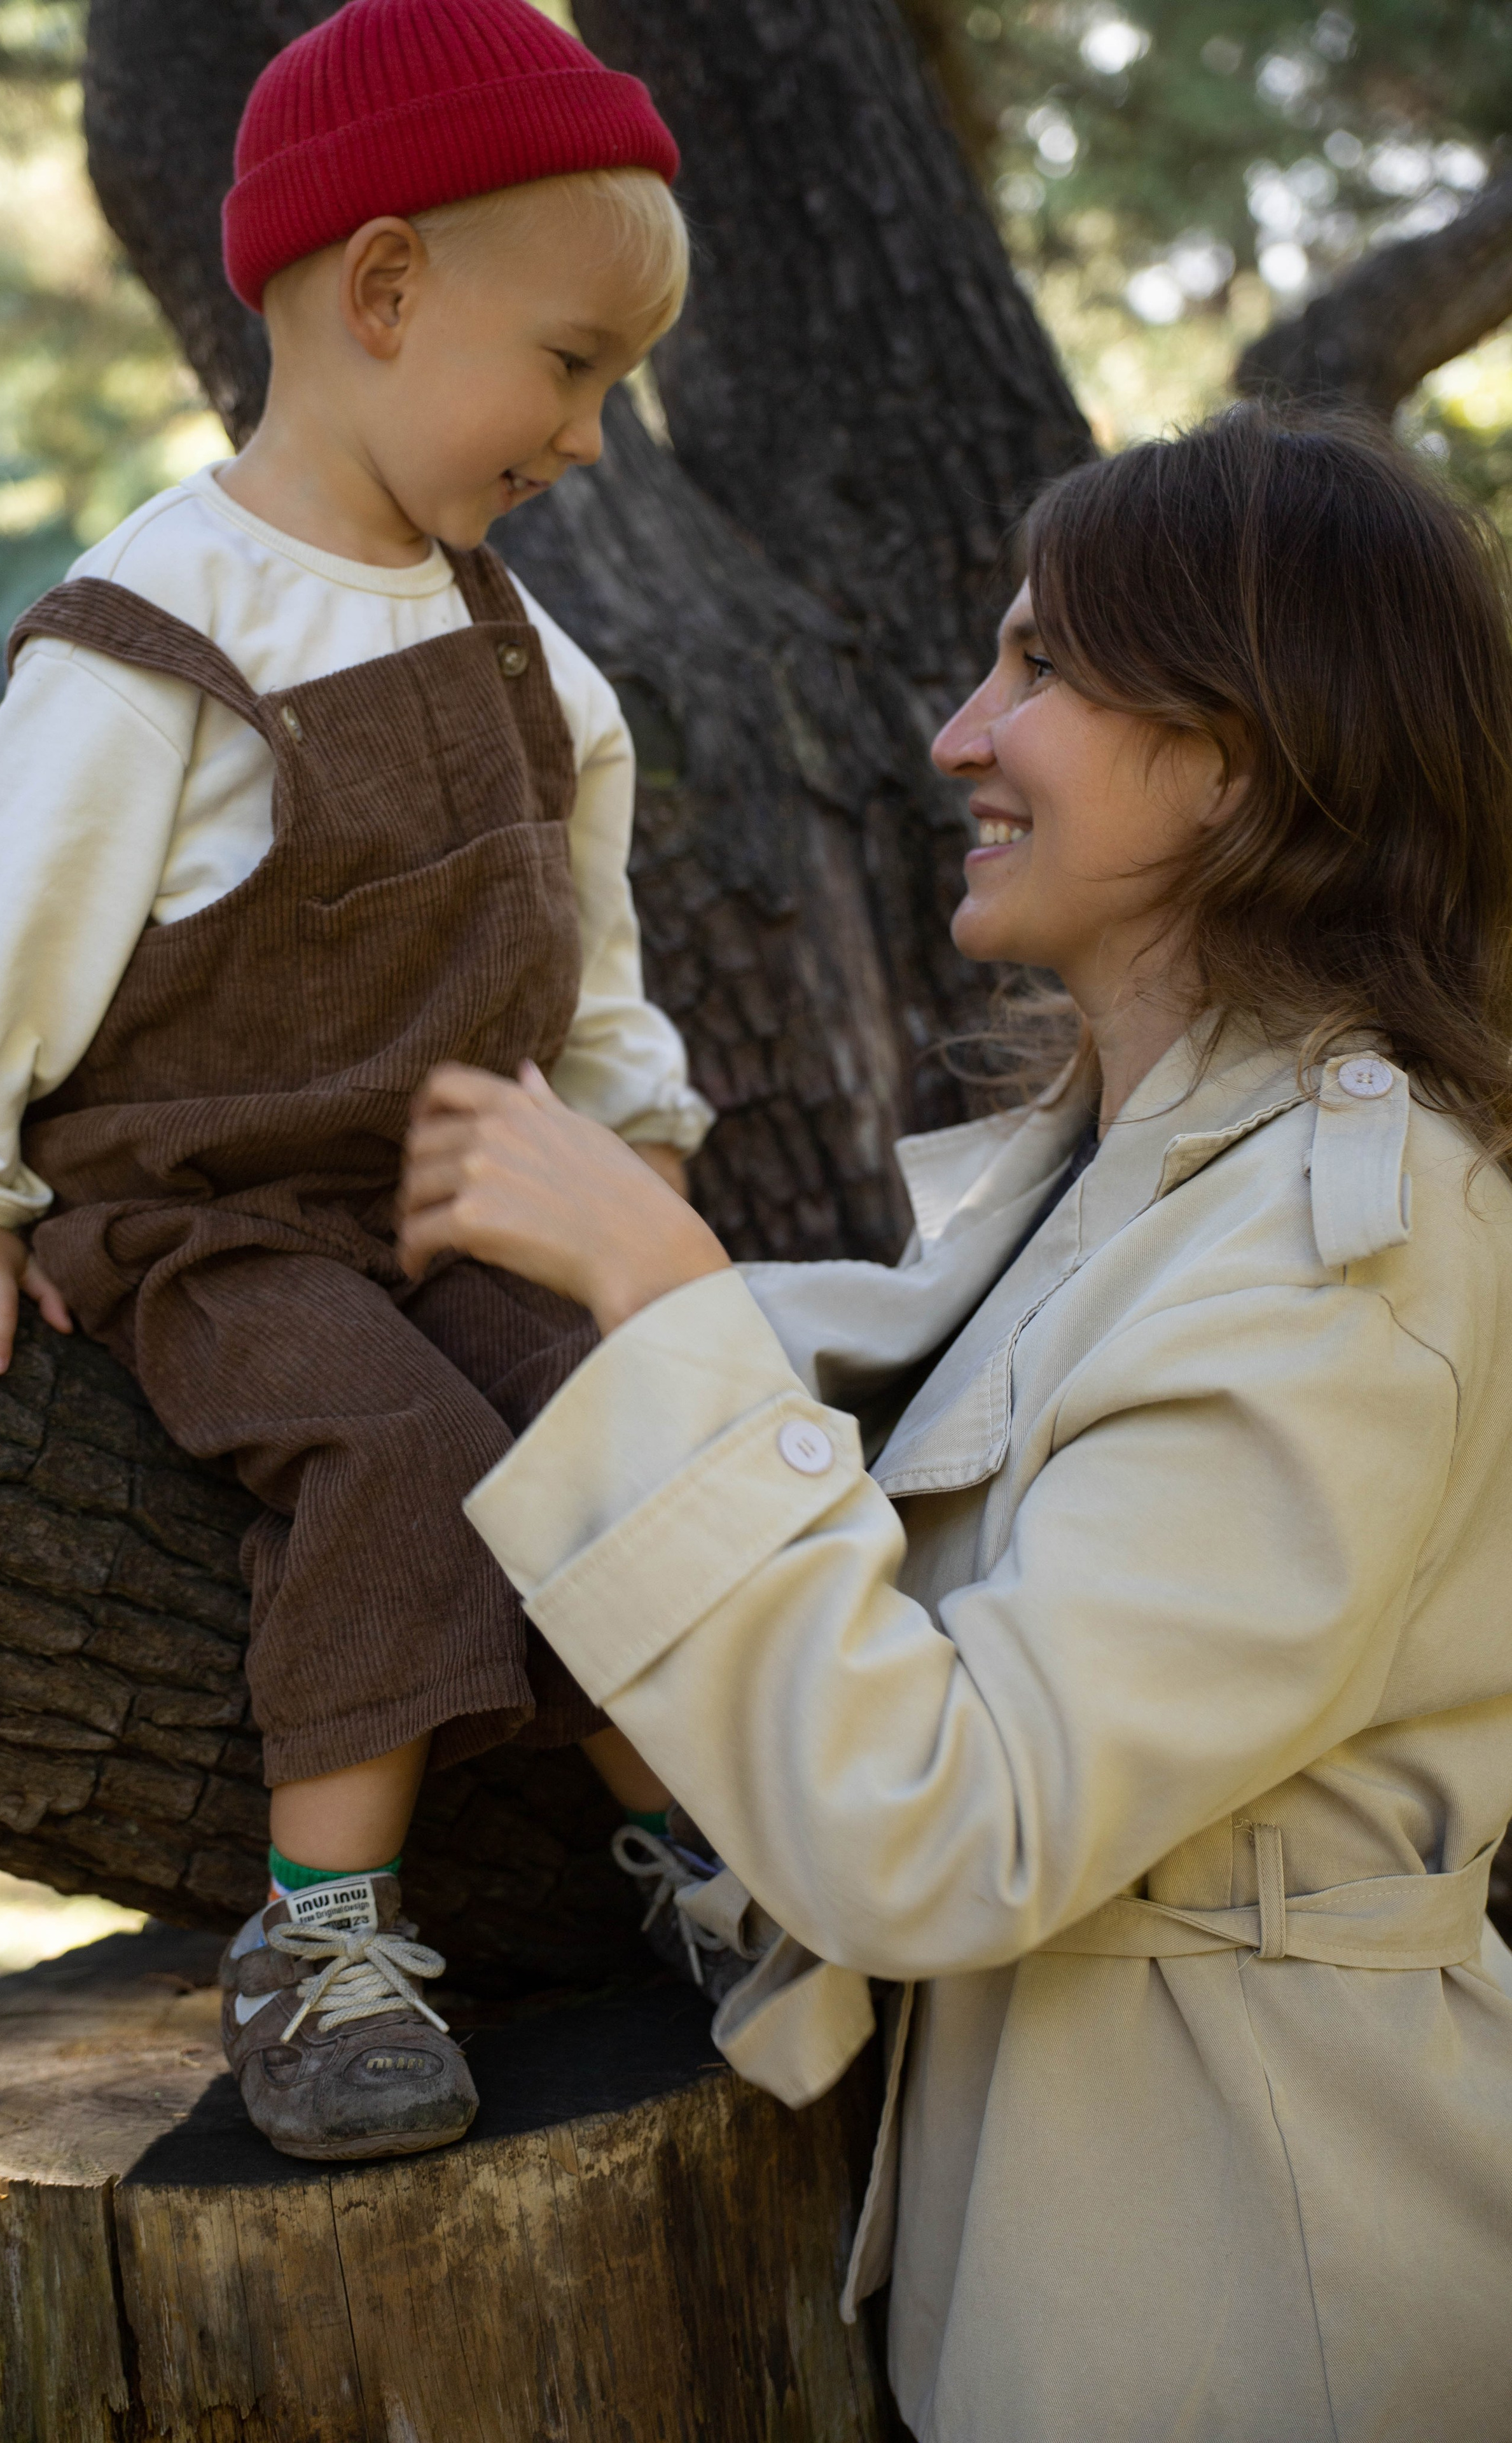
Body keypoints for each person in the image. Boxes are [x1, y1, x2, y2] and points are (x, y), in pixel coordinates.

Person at [398, 407, 1512, 2440]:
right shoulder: (1136, 1177)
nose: (955, 737)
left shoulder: (1342, 1248)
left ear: (1238, 754)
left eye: (1042, 667)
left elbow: (952, 1828)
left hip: (1262, 2307)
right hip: (1092, 2255)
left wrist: (660, 1294)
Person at [0, 0, 710, 2162]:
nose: (589, 437)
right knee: (402, 1453)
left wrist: (633, 1139)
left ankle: (701, 1852)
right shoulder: (160, 630)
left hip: (451, 1193)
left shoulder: (526, 649)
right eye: (572, 366)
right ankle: (323, 1937)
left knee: (605, 1429)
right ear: (386, 288)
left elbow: (587, 929)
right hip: (216, 1215)